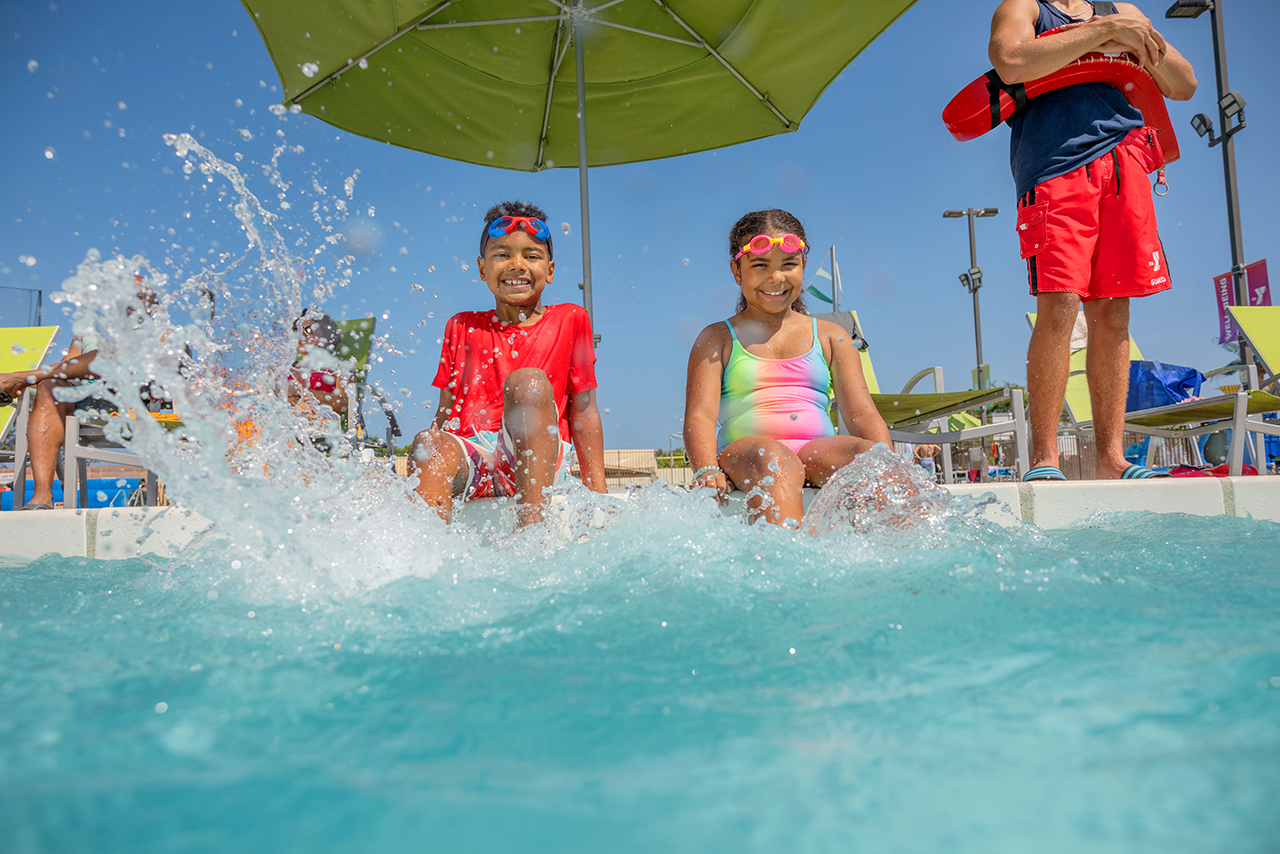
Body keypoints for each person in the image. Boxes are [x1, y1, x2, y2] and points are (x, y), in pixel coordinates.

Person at [988, 0, 1196, 481]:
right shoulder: (1025, 6)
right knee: (1059, 304)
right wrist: (1106, 32)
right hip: (1054, 165)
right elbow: (1010, 58)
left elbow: (1184, 85)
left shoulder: (1123, 9)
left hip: (1126, 159)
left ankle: (1111, 459)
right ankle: (1044, 458)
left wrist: (1132, 30)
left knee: (1114, 310)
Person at [683, 209, 892, 527]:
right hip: (748, 454)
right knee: (776, 460)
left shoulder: (831, 335)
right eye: (760, 266)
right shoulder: (717, 338)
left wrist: (887, 464)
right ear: (737, 271)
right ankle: (790, 571)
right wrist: (705, 469)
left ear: (803, 265)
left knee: (873, 462)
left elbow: (862, 414)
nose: (776, 278)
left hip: (816, 450)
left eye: (788, 265)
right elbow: (700, 415)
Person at [409, 201, 608, 527]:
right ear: (482, 268)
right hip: (474, 460)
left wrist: (597, 495)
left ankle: (530, 533)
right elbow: (445, 413)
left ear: (551, 269)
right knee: (429, 443)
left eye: (531, 256)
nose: (517, 265)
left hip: (536, 465)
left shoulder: (571, 319)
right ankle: (427, 555)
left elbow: (584, 411)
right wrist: (429, 463)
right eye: (502, 254)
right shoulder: (461, 326)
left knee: (528, 383)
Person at [0, 279, 162, 510]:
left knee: (110, 355)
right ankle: (42, 497)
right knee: (50, 386)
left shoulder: (156, 330)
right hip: (85, 398)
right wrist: (34, 383)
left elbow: (115, 357)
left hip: (130, 401)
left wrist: (27, 377)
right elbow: (67, 365)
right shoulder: (88, 330)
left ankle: (23, 376)